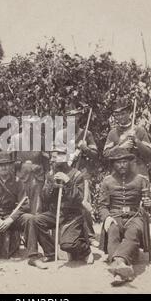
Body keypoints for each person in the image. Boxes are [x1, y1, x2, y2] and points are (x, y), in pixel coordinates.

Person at [27, 147, 93, 269]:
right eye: (52, 157)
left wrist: (68, 183)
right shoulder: (50, 175)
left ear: (65, 158)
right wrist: (52, 187)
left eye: (55, 157)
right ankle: (49, 253)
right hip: (55, 213)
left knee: (67, 245)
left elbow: (79, 200)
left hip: (72, 215)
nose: (52, 160)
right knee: (35, 220)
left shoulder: (77, 175)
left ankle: (86, 251)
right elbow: (45, 199)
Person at [98, 147, 151, 286]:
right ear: (113, 164)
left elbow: (149, 206)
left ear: (129, 162)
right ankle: (122, 267)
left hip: (135, 215)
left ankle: (118, 264)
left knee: (133, 232)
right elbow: (102, 205)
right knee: (113, 231)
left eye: (124, 162)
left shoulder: (141, 180)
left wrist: (148, 203)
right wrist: (107, 217)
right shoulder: (107, 181)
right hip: (114, 215)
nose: (121, 165)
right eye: (118, 162)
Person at [55, 103, 99, 247]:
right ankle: (67, 233)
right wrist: (71, 153)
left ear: (80, 118)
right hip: (67, 171)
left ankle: (90, 235)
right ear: (66, 119)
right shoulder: (61, 134)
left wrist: (85, 148)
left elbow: (95, 154)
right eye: (70, 117)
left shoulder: (87, 133)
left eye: (75, 116)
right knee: (66, 203)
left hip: (83, 173)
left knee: (84, 202)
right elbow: (56, 154)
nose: (73, 119)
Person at [10, 109, 49, 214]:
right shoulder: (15, 139)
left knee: (37, 208)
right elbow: (10, 161)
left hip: (37, 177)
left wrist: (47, 178)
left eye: (32, 123)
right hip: (21, 178)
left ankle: (35, 229)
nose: (30, 126)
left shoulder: (41, 139)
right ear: (23, 124)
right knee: (22, 206)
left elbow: (46, 161)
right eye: (27, 123)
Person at [103, 98, 151, 177]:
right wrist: (121, 147)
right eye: (117, 115)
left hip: (138, 174)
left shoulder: (140, 130)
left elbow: (148, 153)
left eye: (123, 114)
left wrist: (136, 140)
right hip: (118, 176)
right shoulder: (113, 133)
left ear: (129, 113)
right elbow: (106, 155)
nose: (120, 117)